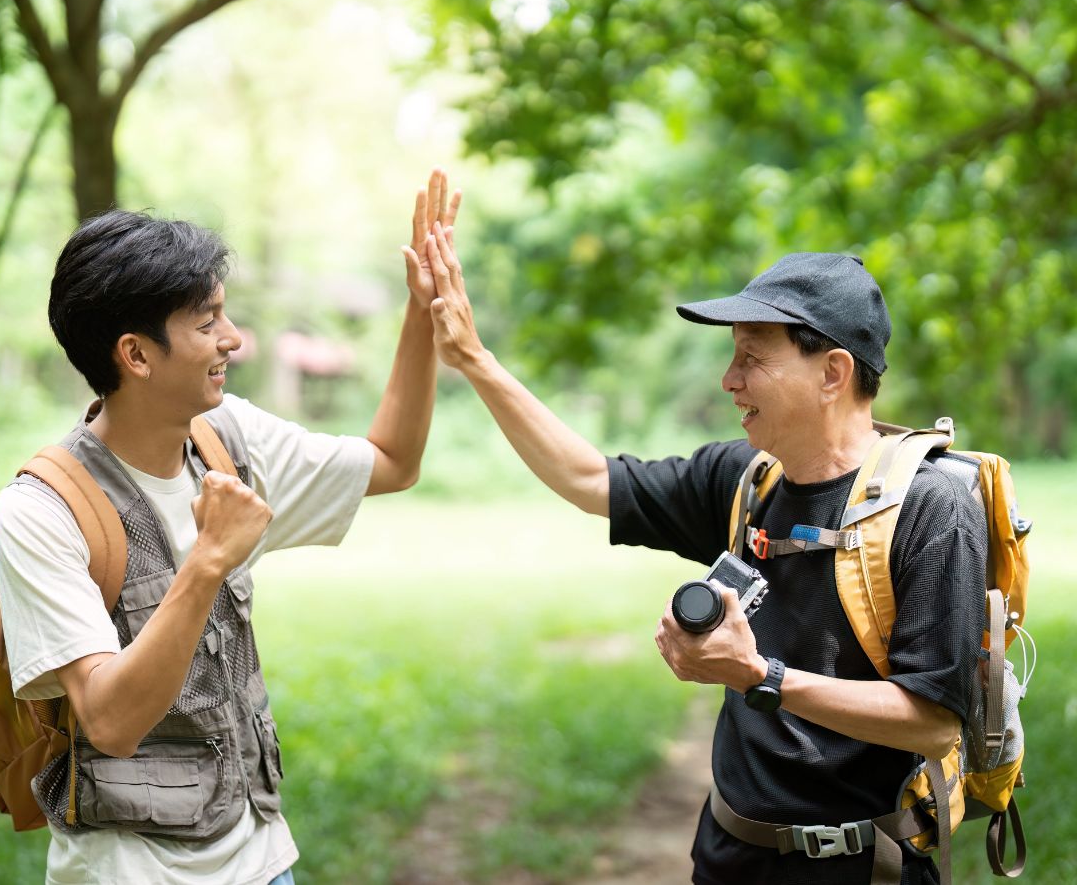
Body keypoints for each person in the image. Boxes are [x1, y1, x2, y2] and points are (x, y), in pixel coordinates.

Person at [420, 240, 985, 884]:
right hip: (726, 857)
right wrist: (474, 359)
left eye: (752, 358)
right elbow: (588, 478)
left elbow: (933, 723)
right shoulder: (746, 480)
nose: (729, 379)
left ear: (833, 373)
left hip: (861, 868)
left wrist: (761, 678)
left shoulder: (930, 509)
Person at [0, 171, 460, 884]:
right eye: (207, 323)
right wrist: (208, 560)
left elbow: (392, 462)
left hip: (261, 858)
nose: (232, 339)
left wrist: (422, 311)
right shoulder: (41, 512)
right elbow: (109, 723)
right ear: (135, 355)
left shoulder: (226, 438)